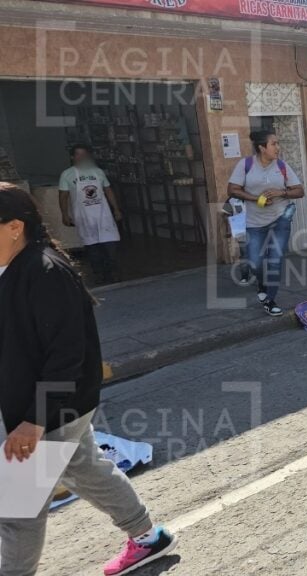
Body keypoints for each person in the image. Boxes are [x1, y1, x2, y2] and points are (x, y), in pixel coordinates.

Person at [0, 183, 177, 576]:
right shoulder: (12, 267)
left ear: (14, 227)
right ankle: (148, 537)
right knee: (85, 468)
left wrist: (33, 420)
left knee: (17, 510)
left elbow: (66, 357)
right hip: (50, 405)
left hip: (50, 408)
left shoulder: (44, 272)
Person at [228, 130, 304, 317]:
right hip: (254, 222)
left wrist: (281, 192)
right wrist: (255, 198)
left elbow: (299, 191)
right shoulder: (245, 165)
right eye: (274, 144)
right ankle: (262, 284)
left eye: (278, 143)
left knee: (275, 260)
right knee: (255, 262)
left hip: (280, 219)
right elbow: (232, 189)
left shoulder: (282, 166)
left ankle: (270, 299)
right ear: (262, 148)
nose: (278, 147)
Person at [58, 144, 122, 285]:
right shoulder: (67, 174)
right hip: (83, 216)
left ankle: (113, 273)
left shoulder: (98, 172)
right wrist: (64, 214)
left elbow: (108, 190)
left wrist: (116, 209)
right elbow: (63, 196)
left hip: (103, 215)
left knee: (110, 246)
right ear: (72, 157)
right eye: (78, 154)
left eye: (84, 154)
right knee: (92, 248)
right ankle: (99, 275)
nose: (81, 157)